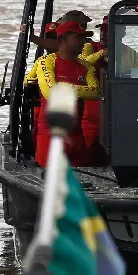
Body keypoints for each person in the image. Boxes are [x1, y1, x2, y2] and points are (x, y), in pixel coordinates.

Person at [24, 21, 99, 167]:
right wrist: (79, 90)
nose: (84, 42)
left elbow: (96, 92)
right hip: (50, 136)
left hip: (76, 137)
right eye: (79, 37)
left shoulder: (87, 67)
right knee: (46, 183)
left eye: (84, 38)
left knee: (85, 181)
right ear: (63, 39)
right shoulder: (46, 62)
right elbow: (50, 92)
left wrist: (62, 87)